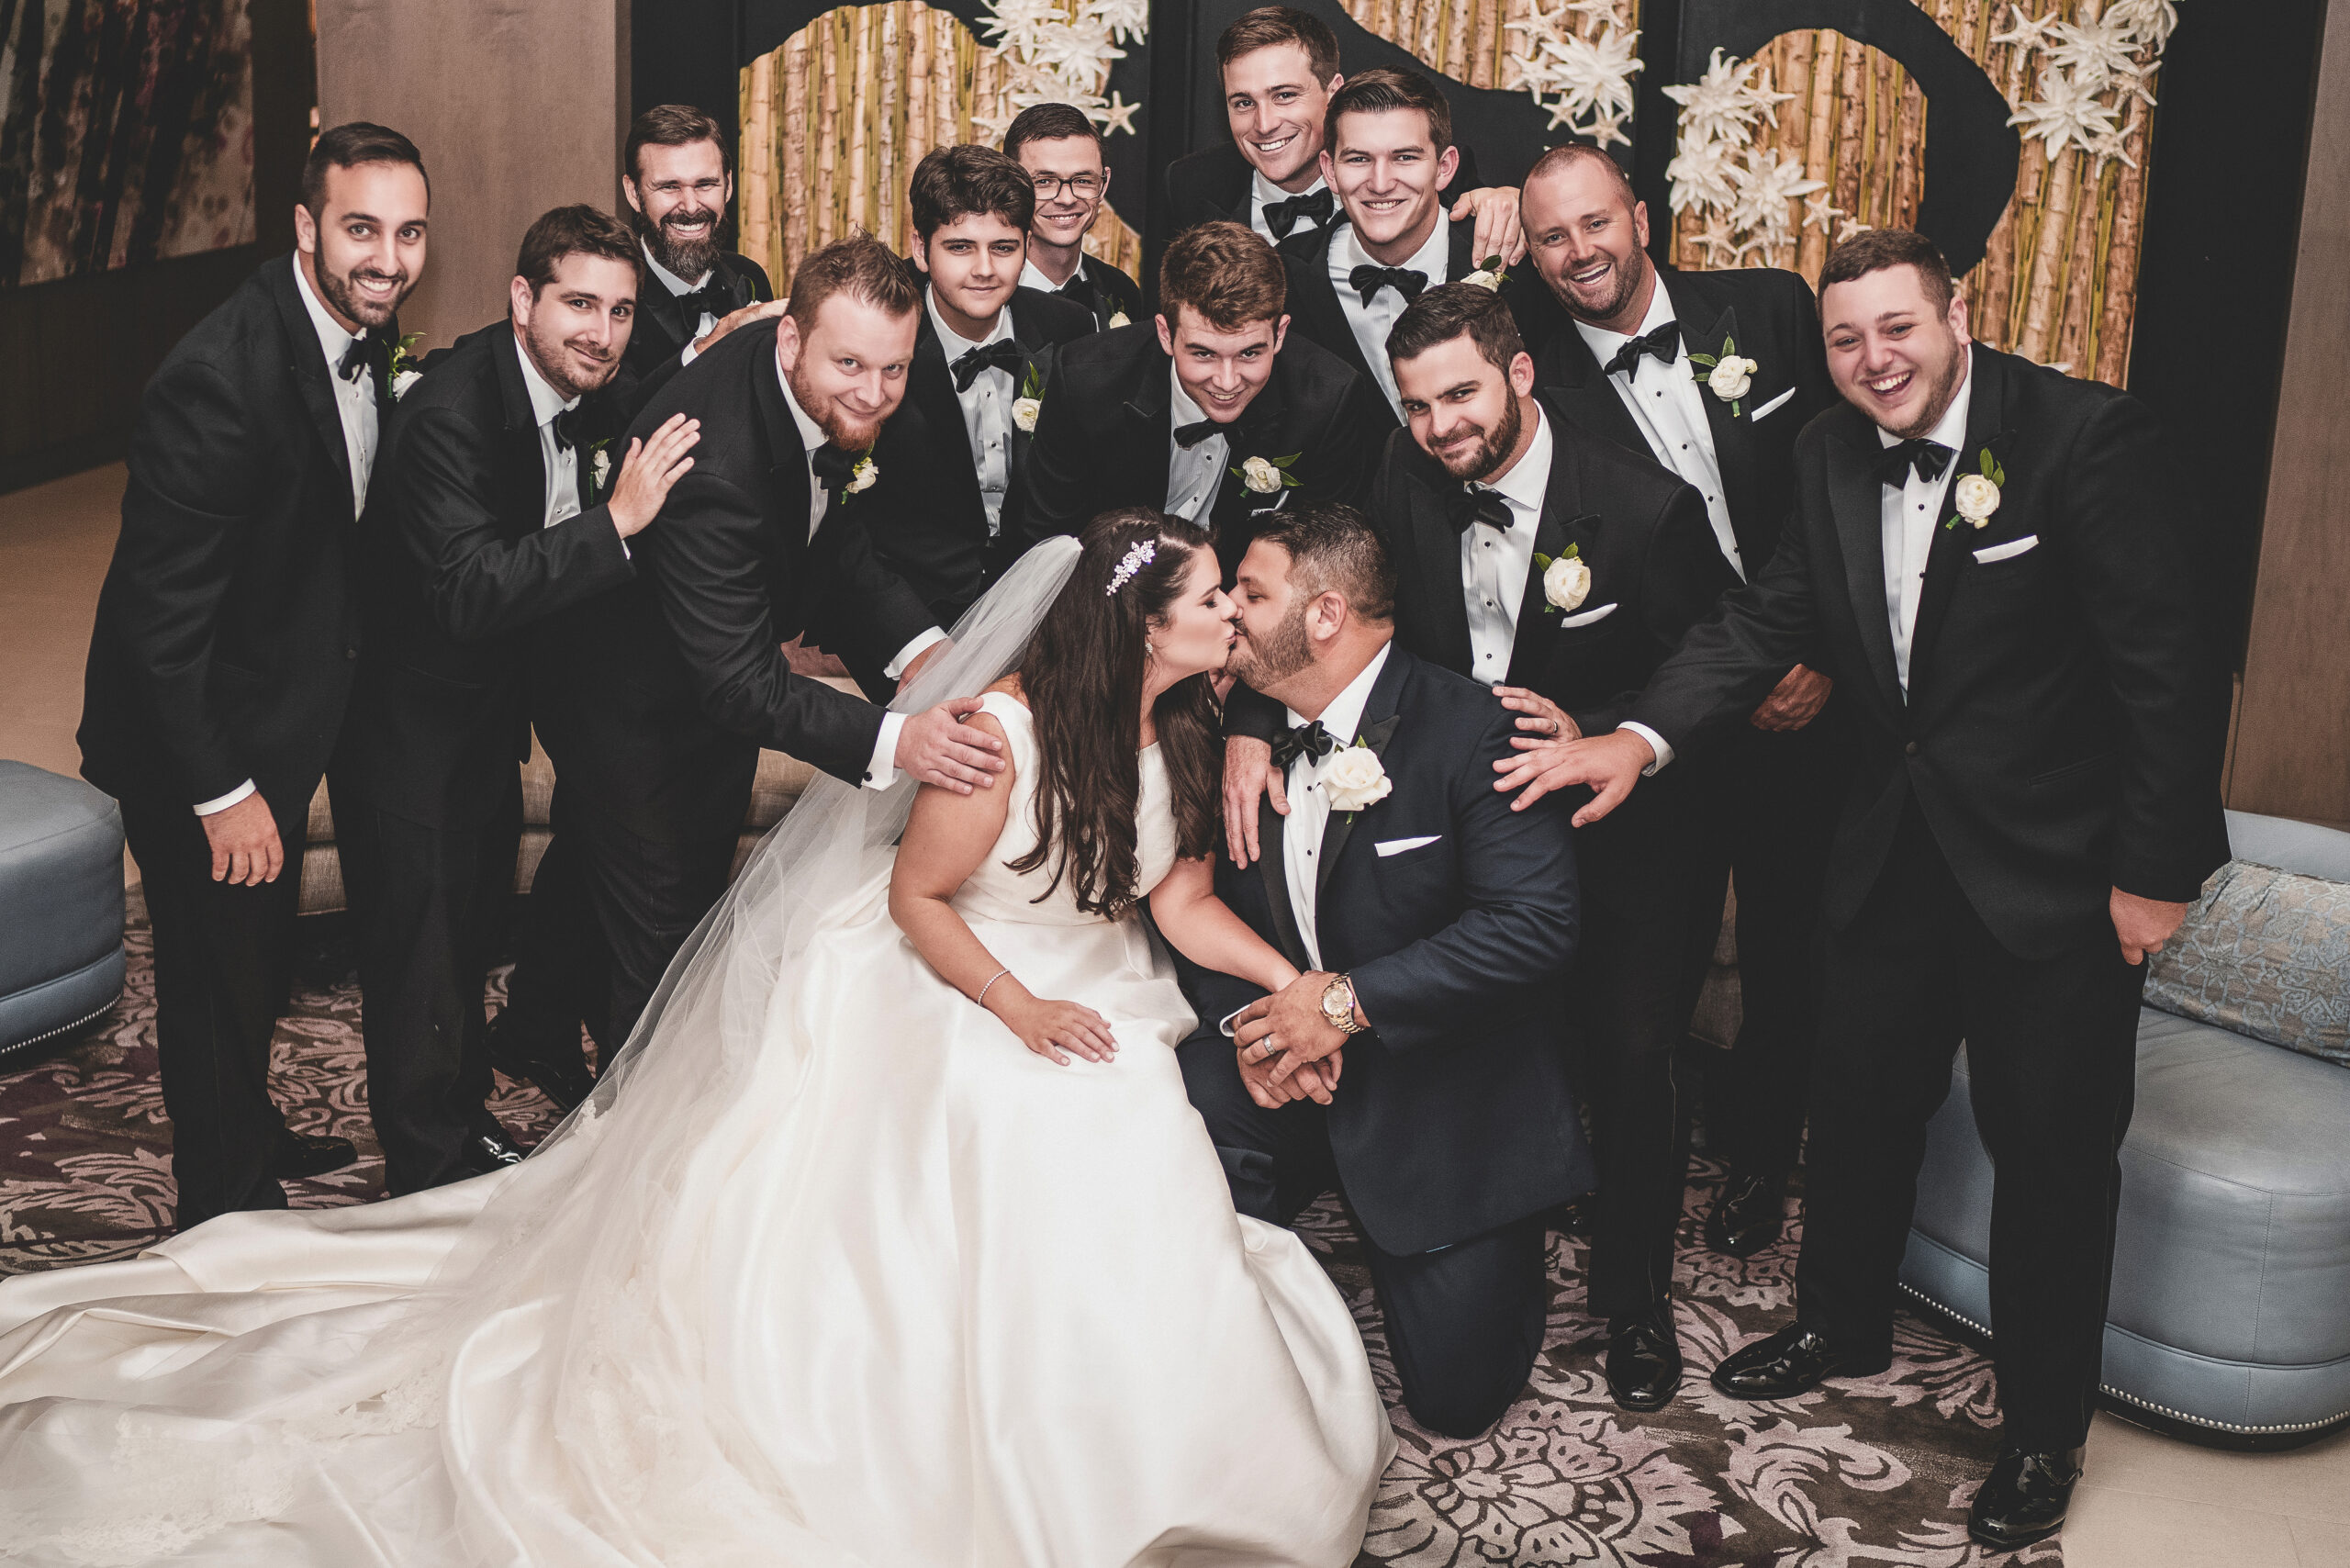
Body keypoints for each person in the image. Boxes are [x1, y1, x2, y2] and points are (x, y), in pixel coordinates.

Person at [0, 520, 1394, 1567]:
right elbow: (917, 900)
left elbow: (1178, 899)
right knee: (1005, 1126)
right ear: (1142, 626)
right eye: (1216, 597)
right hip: (962, 976)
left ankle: (1146, 1431)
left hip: (1096, 980)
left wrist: (1304, 982)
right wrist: (1017, 1010)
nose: (1233, 613)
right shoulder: (1001, 742)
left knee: (1136, 1132)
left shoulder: (1186, 723)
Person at [1503, 230, 2232, 1548]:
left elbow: (2168, 674)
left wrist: (2152, 874)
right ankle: (1837, 1323)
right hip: (1893, 854)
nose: (1874, 359)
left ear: (1960, 311)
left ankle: (2043, 1431)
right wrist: (1636, 737)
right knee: (1856, 1112)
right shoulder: (1829, 452)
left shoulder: (2084, 439)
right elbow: (1761, 625)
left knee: (2053, 1158)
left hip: (2058, 881)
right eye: (1846, 339)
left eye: (1897, 328)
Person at [1242, 284, 1732, 1412]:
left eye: (1459, 394)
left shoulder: (1643, 504)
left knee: (1629, 1047)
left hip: (1621, 819)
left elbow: (1711, 650)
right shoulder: (1407, 479)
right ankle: (1490, 1200)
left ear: (1518, 375)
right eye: (1417, 405)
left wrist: (1614, 733)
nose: (1440, 426)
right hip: (1460, 804)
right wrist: (1255, 719)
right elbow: (1322, 611)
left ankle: (1635, 1296)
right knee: (1494, 1017)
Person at [491, 234, 1002, 1090]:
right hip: (631, 709)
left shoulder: (813, 387)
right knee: (665, 941)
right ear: (792, 342)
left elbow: (833, 547)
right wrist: (895, 740)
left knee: (588, 867)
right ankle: (641, 1141)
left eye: (894, 370)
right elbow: (739, 684)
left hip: (686, 670)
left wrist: (923, 651)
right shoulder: (714, 464)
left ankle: (534, 1029)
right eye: (851, 365)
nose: (874, 396)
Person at [74, 123, 430, 1230]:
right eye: (361, 228)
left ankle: (252, 1126)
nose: (388, 257)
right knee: (214, 972)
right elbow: (156, 622)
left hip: (274, 699)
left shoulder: (357, 333)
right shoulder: (218, 380)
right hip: (189, 735)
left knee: (262, 954)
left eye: (410, 232)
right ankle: (226, 1206)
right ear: (306, 227)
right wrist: (222, 792)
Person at [1173, 504, 1590, 1439]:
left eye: (1251, 592)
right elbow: (1189, 921)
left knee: (1454, 1399)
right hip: (1276, 1066)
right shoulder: (1229, 729)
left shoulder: (1475, 728)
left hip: (1441, 1084)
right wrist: (1259, 1026)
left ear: (1324, 615)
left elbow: (1534, 926)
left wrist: (1347, 1004)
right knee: (1160, 1108)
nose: (1229, 612)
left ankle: (1501, 1239)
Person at [326, 206, 701, 1193]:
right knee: (419, 949)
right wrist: (616, 522)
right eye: (579, 304)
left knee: (466, 933)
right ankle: (428, 1168)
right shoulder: (450, 412)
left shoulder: (583, 392)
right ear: (523, 298)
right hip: (405, 727)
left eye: (621, 312)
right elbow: (466, 588)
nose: (602, 332)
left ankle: (454, 1119)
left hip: (483, 721)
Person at [1519, 143, 1845, 1260]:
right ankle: (1618, 1172)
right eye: (1552, 237)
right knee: (1638, 965)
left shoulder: (1770, 310)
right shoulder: (1537, 383)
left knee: (1789, 950)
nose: (1579, 253)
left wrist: (1823, 653)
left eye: (1595, 224)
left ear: (1640, 218)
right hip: (1663, 710)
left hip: (1810, 692)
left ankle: (1758, 1155)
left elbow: (1840, 476)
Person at [1020, 219, 1386, 578]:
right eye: (1203, 354)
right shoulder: (1085, 381)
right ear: (1165, 334)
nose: (1227, 383)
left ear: (1280, 334)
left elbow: (1318, 567)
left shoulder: (1327, 400)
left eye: (1249, 354)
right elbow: (1046, 541)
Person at [861, 144, 1095, 625]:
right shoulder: (876, 343)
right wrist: (910, 641)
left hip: (1046, 602)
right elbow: (855, 527)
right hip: (916, 612)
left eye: (1004, 248)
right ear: (920, 248)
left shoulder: (1070, 329)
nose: (985, 269)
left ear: (1027, 247)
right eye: (961, 247)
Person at [1279, 68, 1549, 429]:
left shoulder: (1513, 259)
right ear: (1329, 170)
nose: (1380, 182)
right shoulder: (1288, 276)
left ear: (1444, 167)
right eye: (1359, 159)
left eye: (1405, 157)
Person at [1162, 6, 1522, 267]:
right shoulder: (1192, 184)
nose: (1265, 123)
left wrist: (1514, 204)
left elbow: (1495, 217)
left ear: (1333, 92)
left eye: (1285, 95)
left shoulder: (1427, 175)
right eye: (1243, 102)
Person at [617, 104, 784, 395]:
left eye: (705, 184)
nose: (691, 206)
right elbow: (616, 420)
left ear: (728, 185)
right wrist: (710, 344)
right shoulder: (610, 298)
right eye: (669, 187)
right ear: (634, 193)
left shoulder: (750, 275)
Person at [1002, 102, 1143, 331]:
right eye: (1044, 181)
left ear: (1103, 184)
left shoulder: (1122, 290)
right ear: (1010, 184)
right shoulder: (982, 291)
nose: (1066, 199)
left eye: (1083, 181)